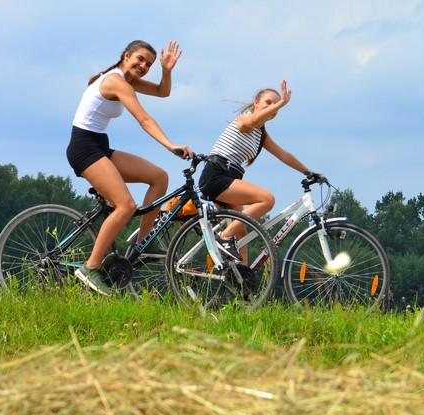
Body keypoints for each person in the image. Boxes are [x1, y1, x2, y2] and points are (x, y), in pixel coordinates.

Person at [66, 40, 192, 295]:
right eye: (140, 59)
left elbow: (163, 92)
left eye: (149, 64)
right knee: (125, 205)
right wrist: (170, 145)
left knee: (159, 177)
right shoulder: (116, 81)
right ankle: (91, 267)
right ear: (126, 56)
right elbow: (144, 119)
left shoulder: (128, 81)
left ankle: (143, 243)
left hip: (99, 146)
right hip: (84, 149)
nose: (144, 66)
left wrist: (166, 71)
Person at [199, 80, 318, 260]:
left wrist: (309, 172)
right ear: (256, 103)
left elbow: (283, 154)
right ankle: (224, 237)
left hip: (230, 177)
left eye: (275, 106)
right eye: (268, 103)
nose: (272, 108)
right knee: (267, 199)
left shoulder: (260, 133)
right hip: (217, 174)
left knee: (242, 234)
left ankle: (242, 276)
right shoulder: (245, 120)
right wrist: (281, 103)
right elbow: (254, 120)